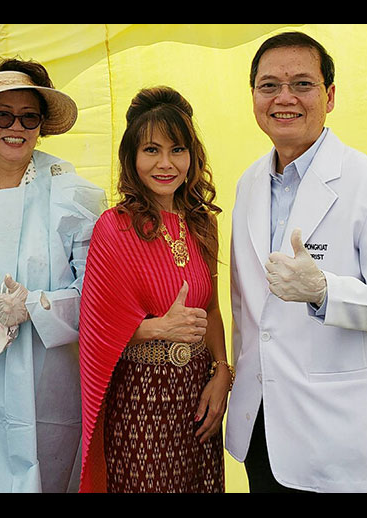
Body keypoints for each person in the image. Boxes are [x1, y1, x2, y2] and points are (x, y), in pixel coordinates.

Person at [226, 31, 367, 493]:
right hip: (261, 431)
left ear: (330, 96)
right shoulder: (249, 182)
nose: (284, 98)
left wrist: (325, 292)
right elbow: (245, 308)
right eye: (269, 85)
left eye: (302, 84)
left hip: (341, 440)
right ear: (253, 96)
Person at [0, 58, 106, 493]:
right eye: (2, 115)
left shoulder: (74, 195)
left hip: (47, 379)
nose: (16, 127)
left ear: (42, 125)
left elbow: (98, 294)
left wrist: (36, 306)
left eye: (29, 117)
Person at [78, 86, 232, 493]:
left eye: (177, 150)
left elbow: (212, 310)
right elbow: (94, 331)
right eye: (151, 150)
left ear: (192, 156)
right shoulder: (114, 227)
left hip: (198, 395)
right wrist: (157, 328)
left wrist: (222, 372)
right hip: (139, 399)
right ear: (132, 157)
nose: (166, 164)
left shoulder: (203, 223)